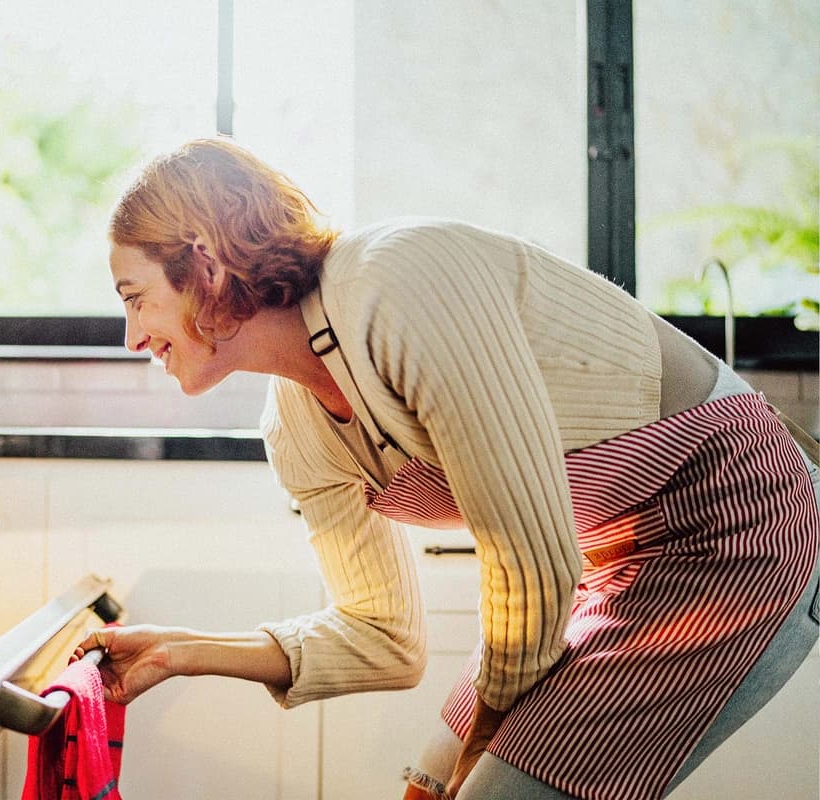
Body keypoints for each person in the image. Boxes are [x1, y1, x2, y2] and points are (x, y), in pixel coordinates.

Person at [74, 138, 820, 799]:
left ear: (203, 262)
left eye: (136, 299)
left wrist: (478, 748)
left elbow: (532, 559)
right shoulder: (296, 430)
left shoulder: (397, 281)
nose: (134, 336)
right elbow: (383, 639)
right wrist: (178, 654)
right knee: (429, 787)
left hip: (741, 526)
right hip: (609, 567)